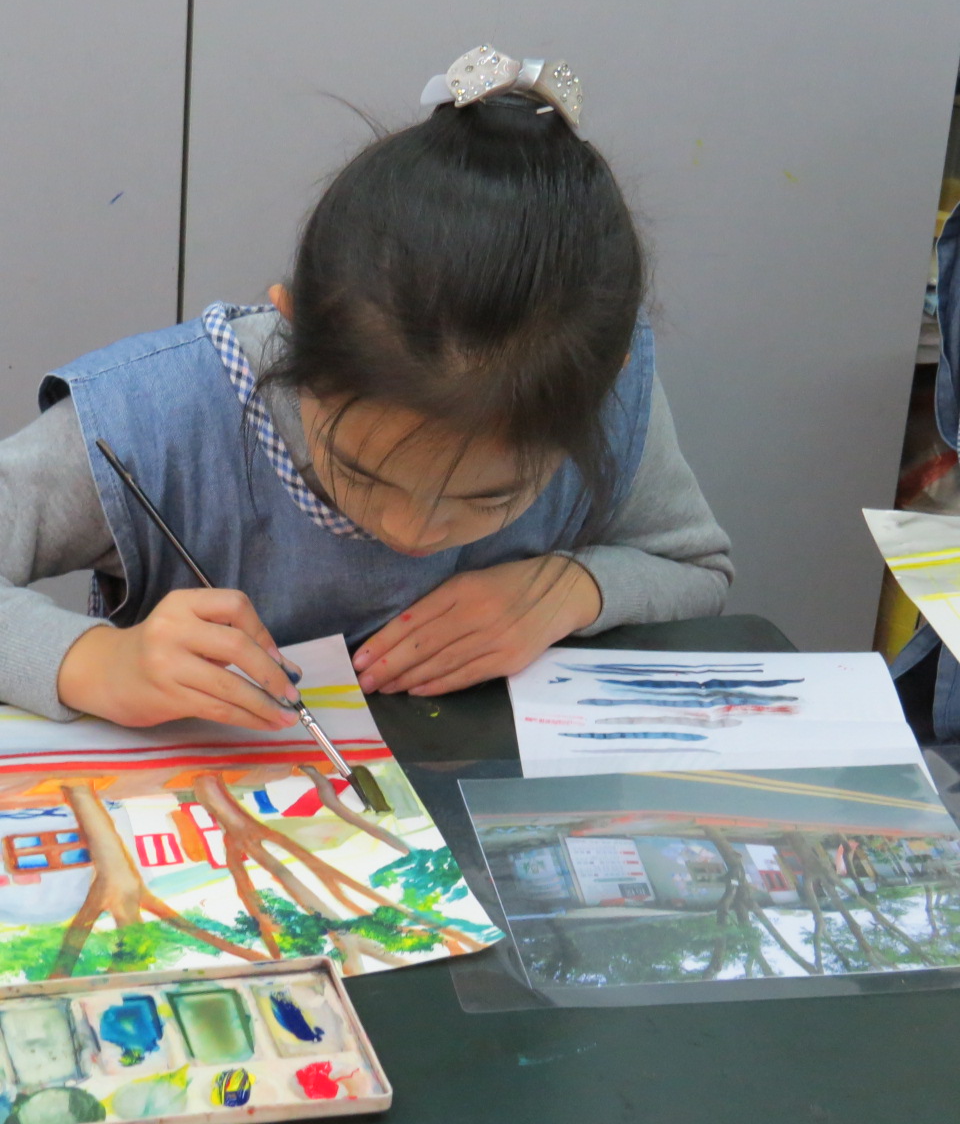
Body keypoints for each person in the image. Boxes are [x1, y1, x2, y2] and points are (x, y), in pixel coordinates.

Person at [0, 46, 733, 733]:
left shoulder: (588, 390)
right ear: (296, 334)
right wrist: (94, 661)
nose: (410, 533)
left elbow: (694, 567)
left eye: (486, 499)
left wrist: (568, 590)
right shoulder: (156, 416)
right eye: (363, 473)